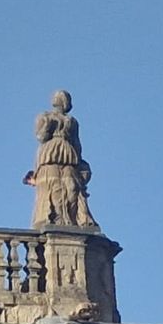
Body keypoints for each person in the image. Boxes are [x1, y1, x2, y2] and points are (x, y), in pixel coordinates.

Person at [30, 90, 97, 228]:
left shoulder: (72, 121)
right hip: (50, 156)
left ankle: (72, 220)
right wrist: (47, 126)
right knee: (54, 189)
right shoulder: (45, 116)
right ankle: (55, 219)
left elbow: (77, 143)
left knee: (72, 189)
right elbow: (41, 137)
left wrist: (81, 164)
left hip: (69, 158)